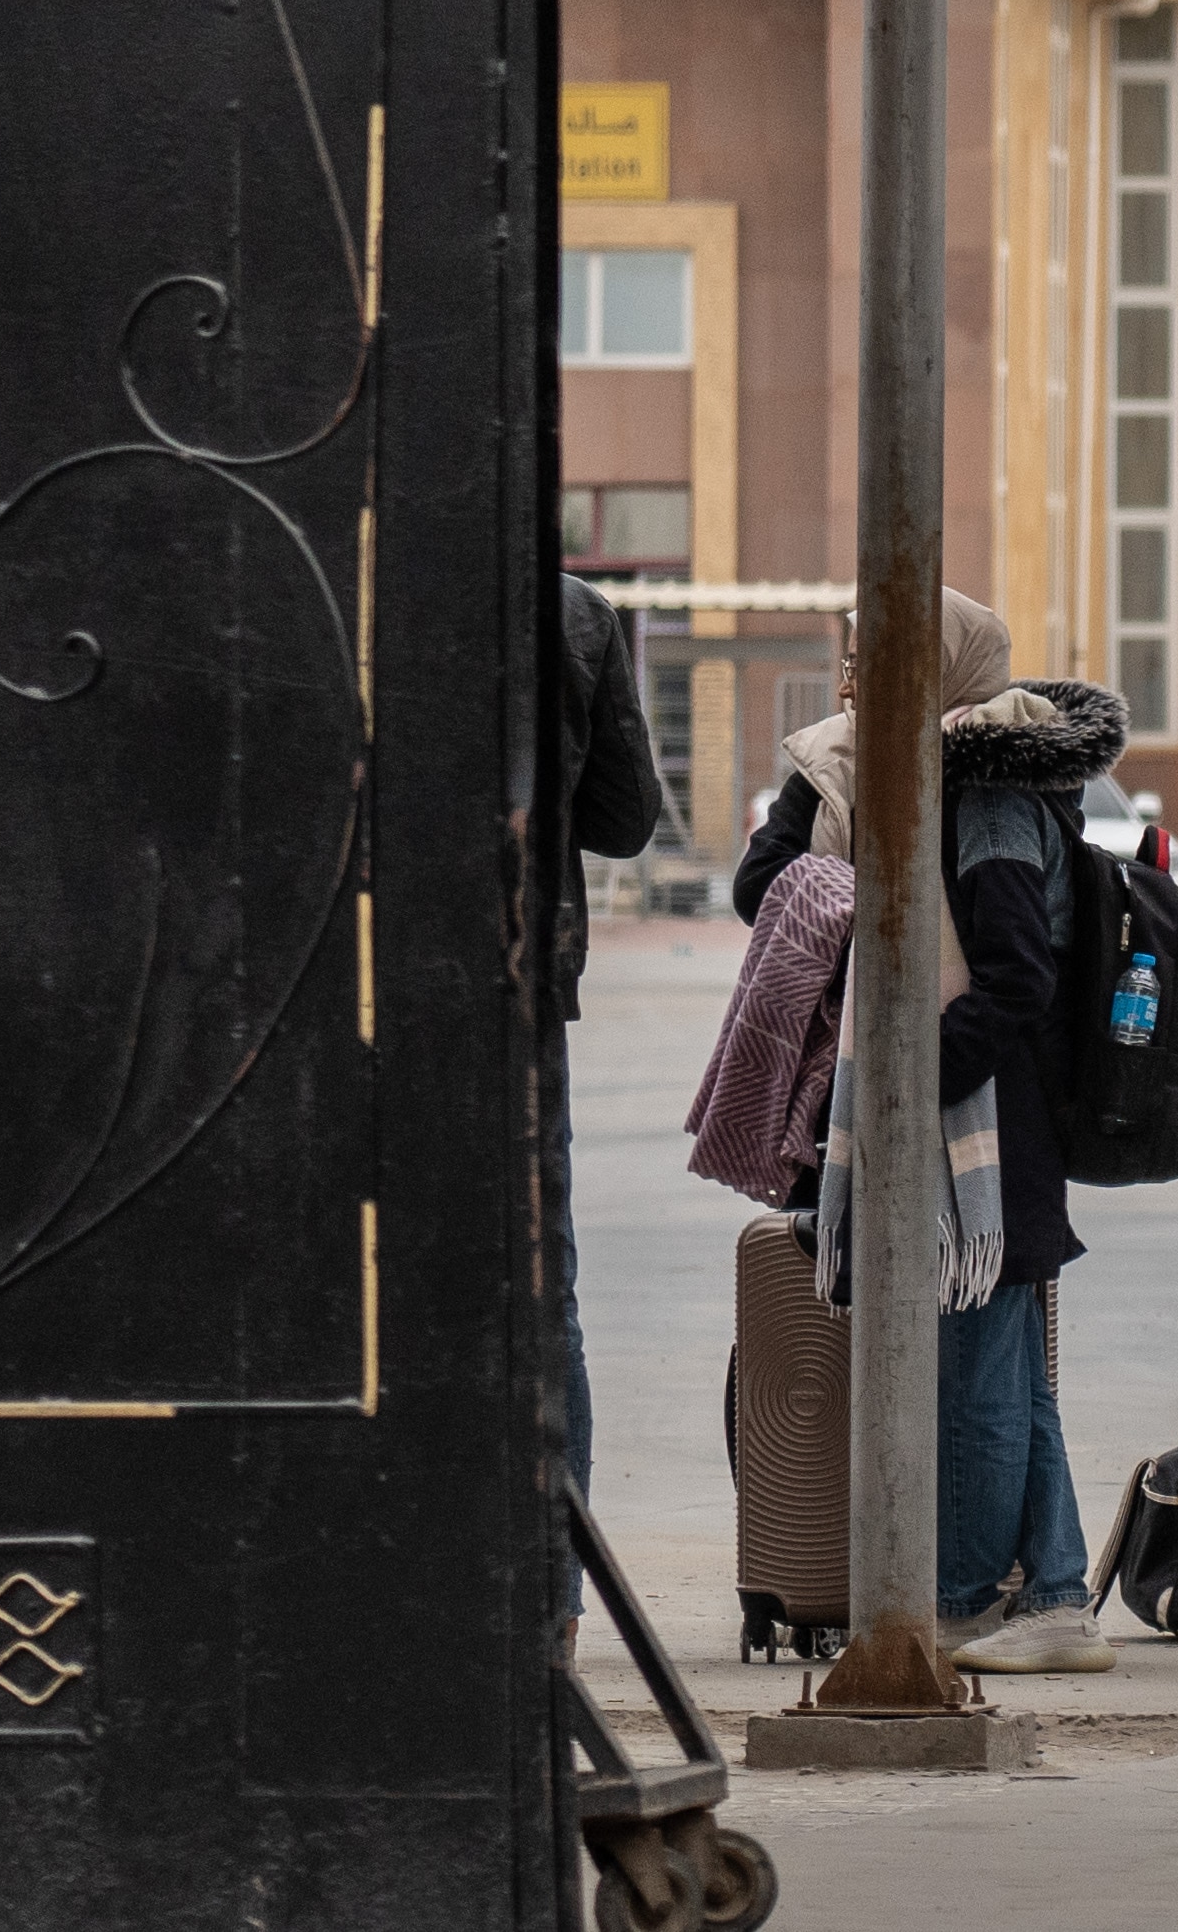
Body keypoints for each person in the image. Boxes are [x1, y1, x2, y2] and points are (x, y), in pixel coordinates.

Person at [911, 591, 1129, 1677]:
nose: (860, 676)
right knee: (1008, 1367)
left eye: (883, 654)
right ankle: (1052, 1595)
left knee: (980, 1372)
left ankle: (960, 1601)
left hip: (993, 1119)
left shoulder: (990, 794)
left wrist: (917, 1083)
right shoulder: (977, 777)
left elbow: (1012, 975)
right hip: (1007, 1110)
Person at [553, 573, 669, 1635]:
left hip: (338, 983)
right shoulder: (573, 612)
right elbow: (627, 821)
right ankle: (553, 1604)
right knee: (544, 1292)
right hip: (518, 985)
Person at [732, 640, 858, 920]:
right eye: (849, 666)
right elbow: (753, 888)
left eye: (859, 667)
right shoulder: (829, 758)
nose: (845, 688)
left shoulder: (959, 771)